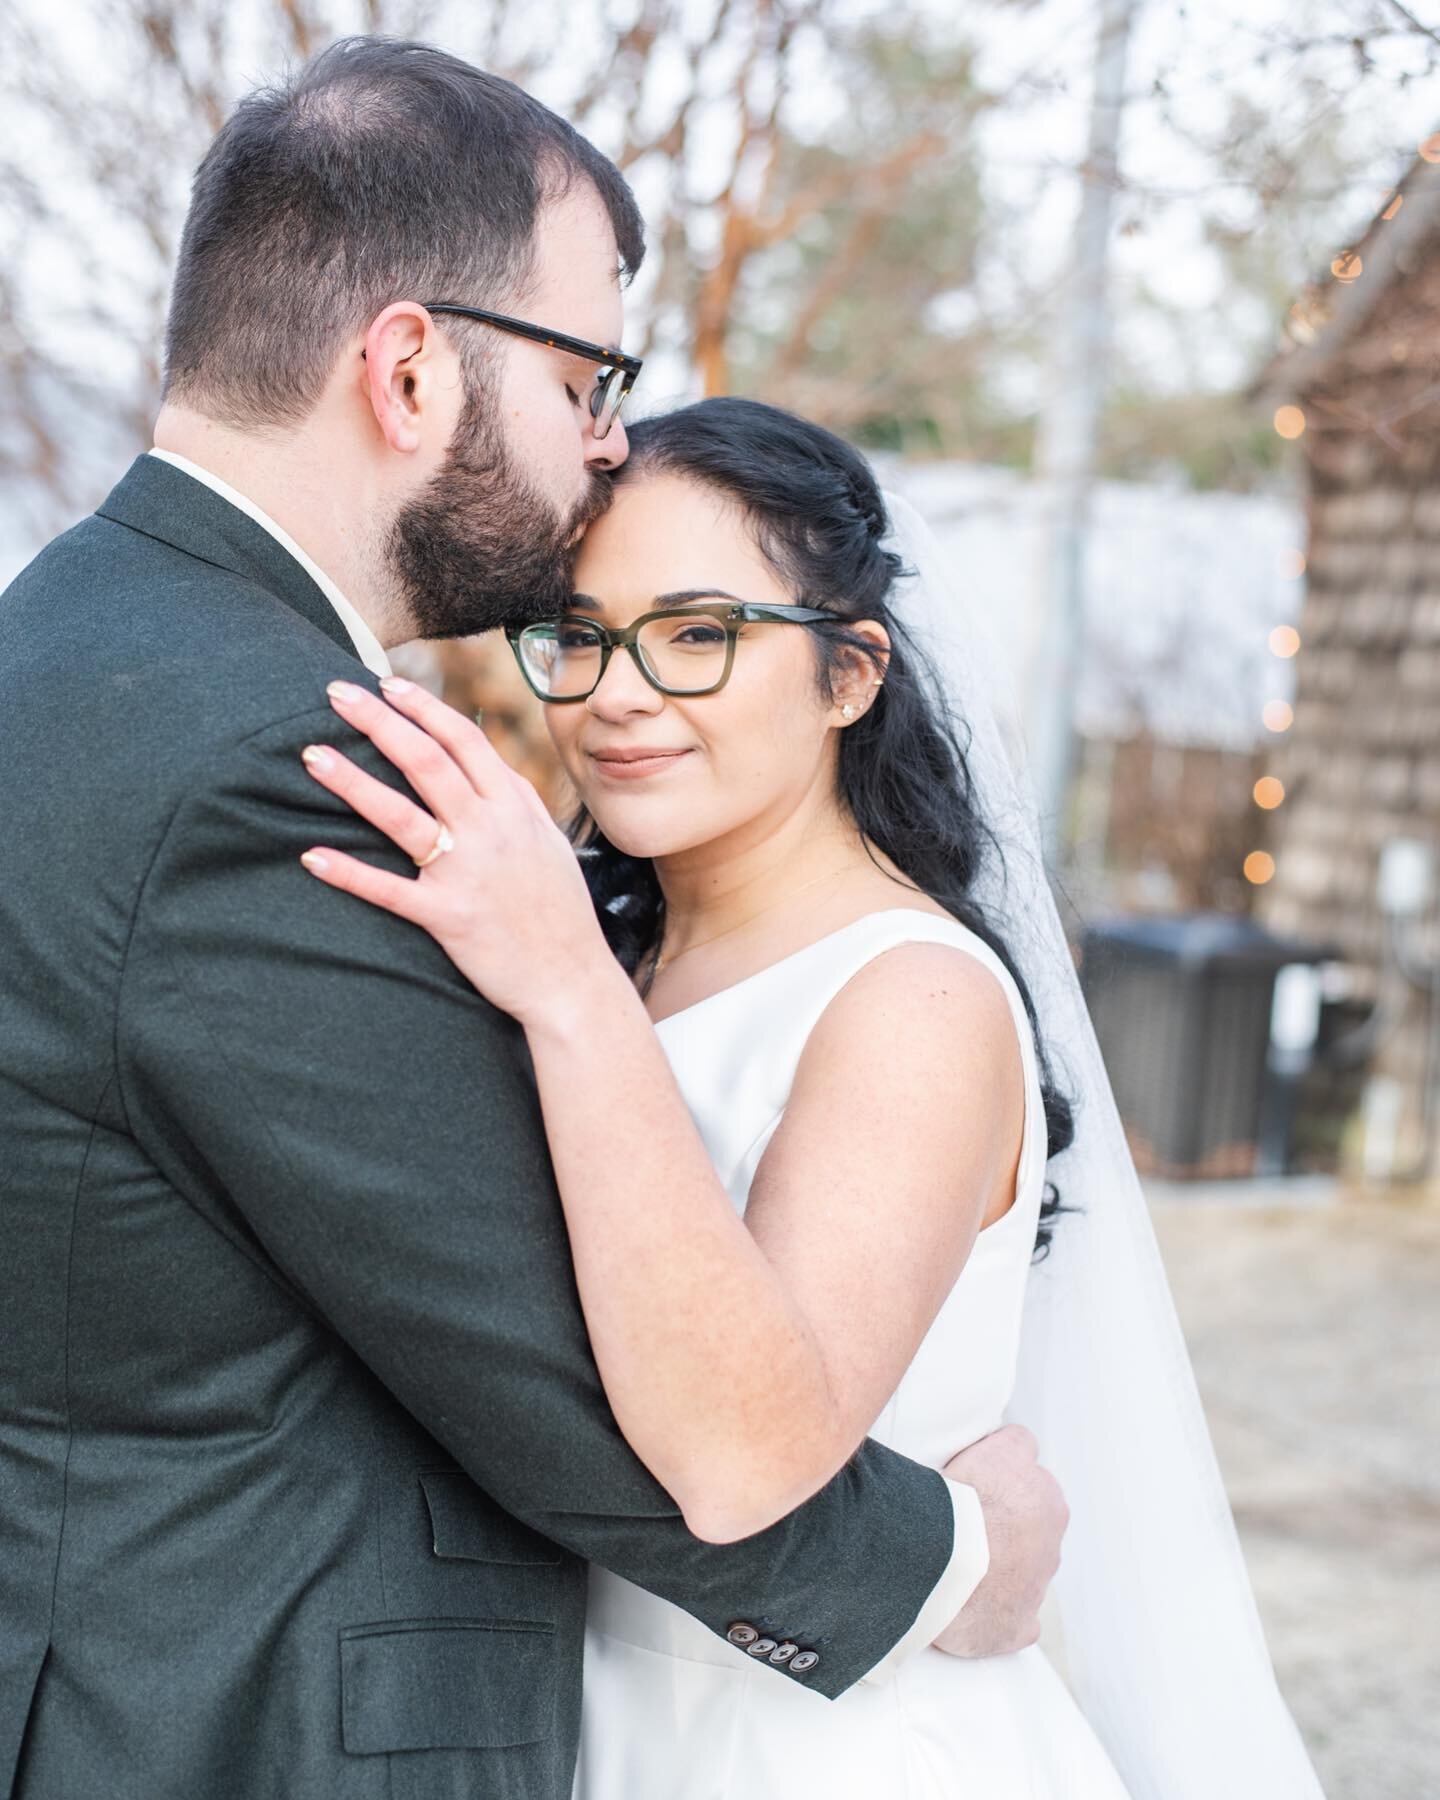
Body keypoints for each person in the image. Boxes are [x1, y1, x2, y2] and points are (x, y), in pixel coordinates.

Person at [0, 39, 1066, 1800]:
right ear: (408, 369)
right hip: (238, 1721)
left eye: (704, 633)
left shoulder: (67, 650)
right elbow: (574, 1390)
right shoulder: (277, 765)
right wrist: (954, 1555)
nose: (608, 436)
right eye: (589, 375)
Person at [302, 397, 1327, 1800]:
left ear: (849, 676)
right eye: (580, 634)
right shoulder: (594, 948)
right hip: (584, 1722)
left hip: (825, 1748)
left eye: (698, 633)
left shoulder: (910, 998)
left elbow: (741, 1461)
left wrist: (566, 987)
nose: (615, 692)